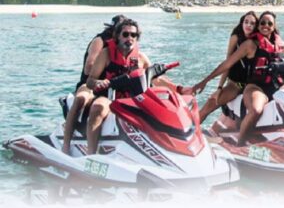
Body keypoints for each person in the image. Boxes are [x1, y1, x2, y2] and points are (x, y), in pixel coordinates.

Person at [193, 11, 284, 146]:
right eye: (262, 23)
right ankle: (239, 145)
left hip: (275, 86)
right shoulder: (248, 44)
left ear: (274, 26)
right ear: (258, 26)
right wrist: (205, 82)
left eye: (269, 23)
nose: (266, 25)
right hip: (247, 85)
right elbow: (227, 64)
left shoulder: (277, 43)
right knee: (253, 110)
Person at [85, 19, 191, 155]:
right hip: (110, 96)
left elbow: (155, 79)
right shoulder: (105, 54)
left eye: (133, 35)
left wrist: (179, 89)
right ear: (118, 36)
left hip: (135, 98)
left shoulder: (141, 58)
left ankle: (170, 148)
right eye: (125, 34)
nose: (129, 38)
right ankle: (91, 154)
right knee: (97, 108)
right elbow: (90, 81)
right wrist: (99, 83)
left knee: (163, 109)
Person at [62, 15, 125, 154]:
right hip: (90, 83)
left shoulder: (124, 45)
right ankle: (65, 144)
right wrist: (104, 70)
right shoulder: (100, 41)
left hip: (110, 86)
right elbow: (88, 67)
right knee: (80, 99)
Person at [198, 11, 258, 122]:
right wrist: (219, 88)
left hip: (250, 86)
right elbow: (227, 63)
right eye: (246, 22)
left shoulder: (257, 42)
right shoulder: (236, 37)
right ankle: (187, 133)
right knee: (210, 104)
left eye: (252, 23)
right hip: (235, 84)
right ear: (242, 23)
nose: (249, 25)